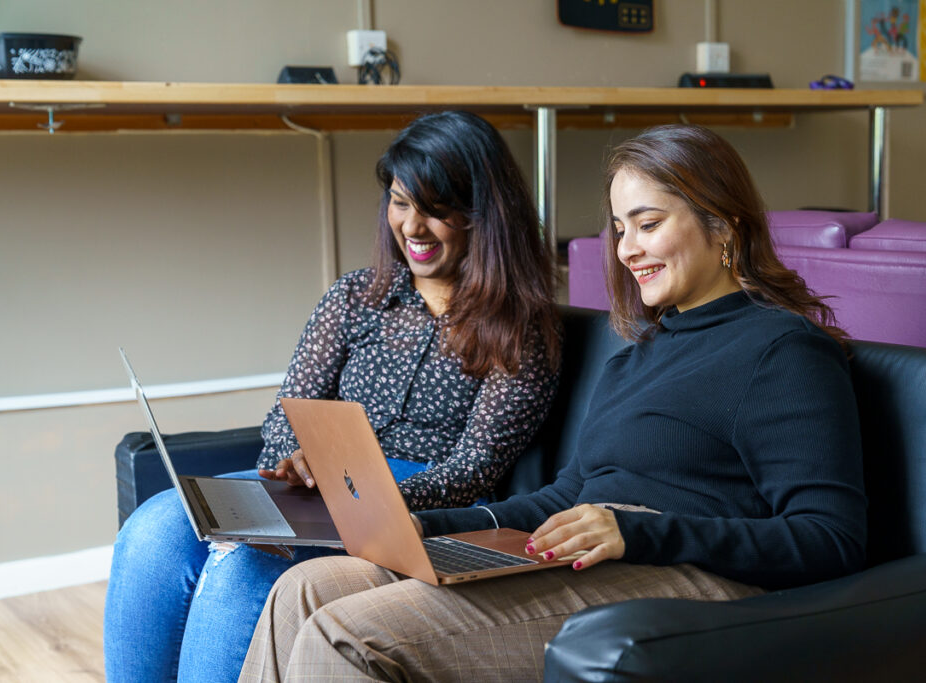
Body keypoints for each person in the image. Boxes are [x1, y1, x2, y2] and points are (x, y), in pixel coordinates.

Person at [237, 124, 868, 682]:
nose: (627, 250)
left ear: (723, 224)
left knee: (344, 634)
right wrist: (416, 528)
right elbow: (563, 499)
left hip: (693, 577)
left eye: (648, 225)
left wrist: (637, 531)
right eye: (620, 229)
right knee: (303, 590)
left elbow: (830, 539)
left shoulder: (783, 350)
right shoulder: (638, 357)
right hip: (599, 552)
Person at [103, 110, 562, 683]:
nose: (413, 227)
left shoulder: (519, 328)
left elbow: (475, 467)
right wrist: (292, 460)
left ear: (482, 215)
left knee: (242, 566)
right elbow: (287, 412)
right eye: (399, 202)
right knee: (153, 528)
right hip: (309, 490)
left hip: (411, 508)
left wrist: (361, 496)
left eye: (435, 209)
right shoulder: (355, 297)